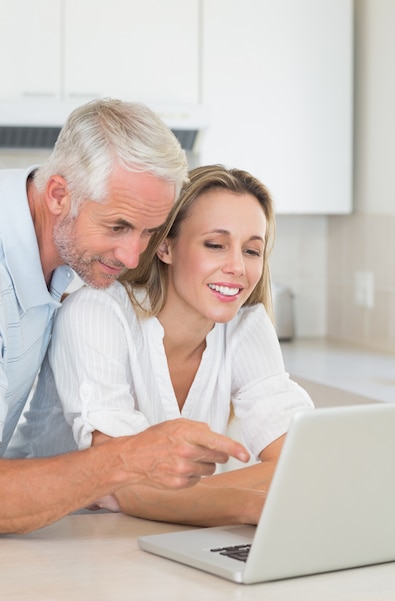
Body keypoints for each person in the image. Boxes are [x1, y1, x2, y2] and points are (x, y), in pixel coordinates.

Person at [13, 165, 313, 527]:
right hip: (60, 538)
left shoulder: (245, 326)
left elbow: (304, 463)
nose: (237, 266)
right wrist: (247, 501)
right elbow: (121, 479)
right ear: (166, 246)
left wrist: (201, 499)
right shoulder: (97, 311)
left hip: (166, 534)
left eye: (252, 251)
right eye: (215, 245)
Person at [0, 100, 250, 535]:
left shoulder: (59, 257)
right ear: (58, 195)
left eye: (150, 231)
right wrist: (125, 458)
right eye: (118, 227)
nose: (133, 256)